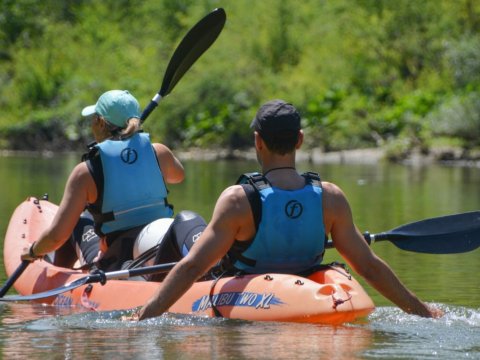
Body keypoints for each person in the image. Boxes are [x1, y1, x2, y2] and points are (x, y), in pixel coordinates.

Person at [134, 99, 443, 321]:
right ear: (299, 140)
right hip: (304, 281)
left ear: (258, 142)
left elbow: (192, 267)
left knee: (186, 221)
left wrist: (146, 313)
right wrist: (422, 310)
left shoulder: (237, 200)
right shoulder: (331, 197)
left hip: (245, 287)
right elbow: (369, 266)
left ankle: (139, 286)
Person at [21, 90, 185, 271]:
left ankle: (59, 281)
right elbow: (178, 176)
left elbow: (56, 236)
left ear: (99, 122)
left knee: (79, 221)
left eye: (93, 118)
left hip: (118, 258)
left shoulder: (85, 172)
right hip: (162, 243)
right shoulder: (159, 152)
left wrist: (33, 250)